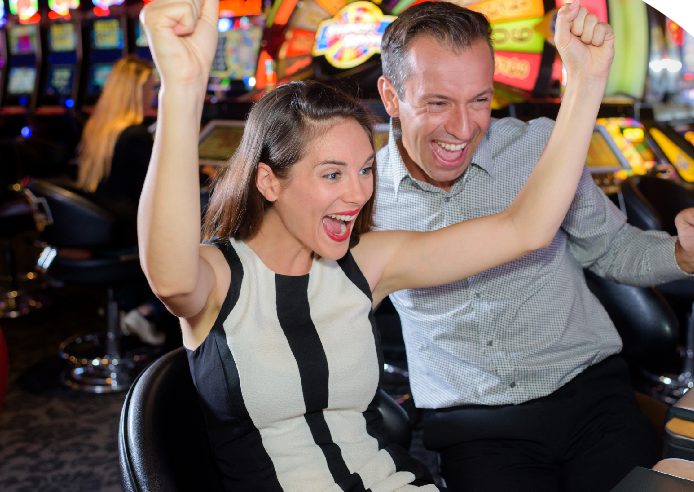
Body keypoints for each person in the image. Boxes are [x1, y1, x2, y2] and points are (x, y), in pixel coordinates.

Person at [137, 0, 618, 489]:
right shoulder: (220, 277)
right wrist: (183, 85)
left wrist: (585, 82)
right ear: (269, 182)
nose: (358, 193)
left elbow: (526, 229)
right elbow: (170, 275)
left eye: (366, 169)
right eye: (332, 174)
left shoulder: (365, 262)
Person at [373, 2, 694, 491]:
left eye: (480, 101)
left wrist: (685, 254)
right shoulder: (361, 195)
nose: (463, 129)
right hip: (474, 424)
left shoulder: (541, 148)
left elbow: (611, 248)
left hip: (589, 395)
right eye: (437, 102)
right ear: (390, 95)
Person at [76, 54, 165, 345]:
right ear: (135, 90)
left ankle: (126, 302)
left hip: (100, 227)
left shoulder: (99, 128)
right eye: (151, 87)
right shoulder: (134, 135)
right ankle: (147, 311)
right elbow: (168, 184)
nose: (154, 94)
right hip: (124, 233)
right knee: (200, 235)